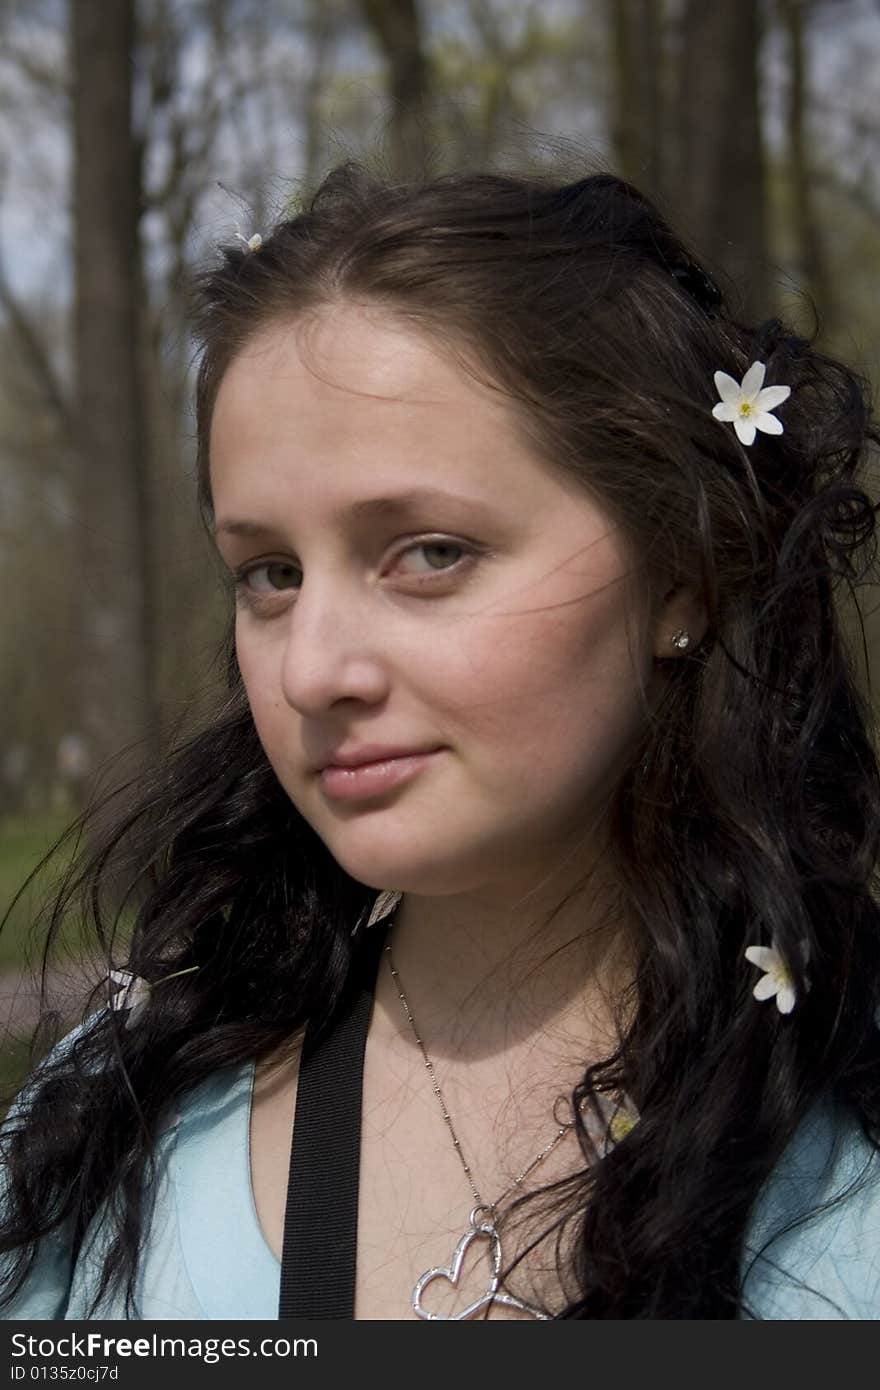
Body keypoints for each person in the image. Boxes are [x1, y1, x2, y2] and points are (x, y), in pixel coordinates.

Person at [2, 163, 880, 1321]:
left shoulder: (843, 1164)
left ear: (685, 567)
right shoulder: (104, 1139)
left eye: (427, 552)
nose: (311, 668)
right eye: (268, 573)